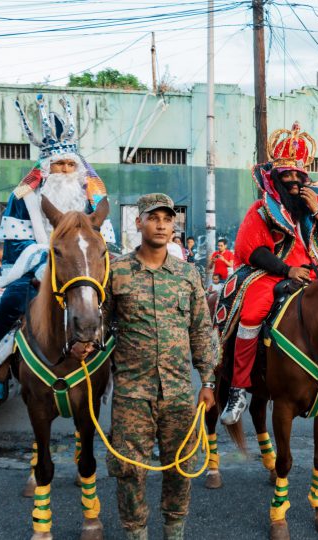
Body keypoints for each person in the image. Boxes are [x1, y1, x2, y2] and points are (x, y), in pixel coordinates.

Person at [0, 94, 115, 403]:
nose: (65, 170)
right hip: (36, 267)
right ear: (46, 167)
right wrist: (45, 260)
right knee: (11, 304)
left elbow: (102, 236)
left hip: (85, 268)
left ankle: (121, 363)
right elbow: (17, 241)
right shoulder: (23, 196)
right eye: (58, 165)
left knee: (119, 299)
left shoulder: (92, 195)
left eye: (69, 164)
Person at [105, 193, 216, 540]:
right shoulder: (117, 271)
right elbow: (99, 327)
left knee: (181, 467)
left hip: (179, 394)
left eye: (168, 219)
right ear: (139, 223)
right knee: (128, 471)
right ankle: (136, 533)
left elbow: (201, 329)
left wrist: (208, 381)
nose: (161, 224)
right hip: (131, 393)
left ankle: (174, 531)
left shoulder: (187, 275)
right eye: (153, 218)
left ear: (174, 225)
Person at [219, 121, 318, 425]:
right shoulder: (261, 210)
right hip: (271, 274)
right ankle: (238, 389)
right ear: (276, 178)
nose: (295, 182)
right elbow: (253, 250)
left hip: (312, 273)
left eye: (300, 176)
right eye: (288, 175)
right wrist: (287, 269)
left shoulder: (309, 211)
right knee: (251, 315)